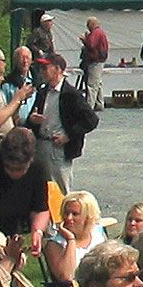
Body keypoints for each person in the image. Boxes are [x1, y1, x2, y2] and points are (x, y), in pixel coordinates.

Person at [24, 54, 99, 188]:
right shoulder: (42, 91)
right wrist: (32, 120)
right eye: (41, 68)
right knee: (40, 187)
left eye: (45, 67)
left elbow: (91, 120)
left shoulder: (71, 94)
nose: (42, 71)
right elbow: (31, 118)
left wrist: (69, 135)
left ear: (58, 69)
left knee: (60, 188)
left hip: (58, 148)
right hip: (40, 145)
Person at [79, 17, 111, 110]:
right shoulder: (101, 32)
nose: (87, 27)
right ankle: (100, 104)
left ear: (92, 24)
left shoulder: (96, 33)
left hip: (95, 61)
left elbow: (91, 44)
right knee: (98, 83)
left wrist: (84, 40)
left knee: (91, 85)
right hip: (99, 60)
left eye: (88, 25)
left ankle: (90, 106)